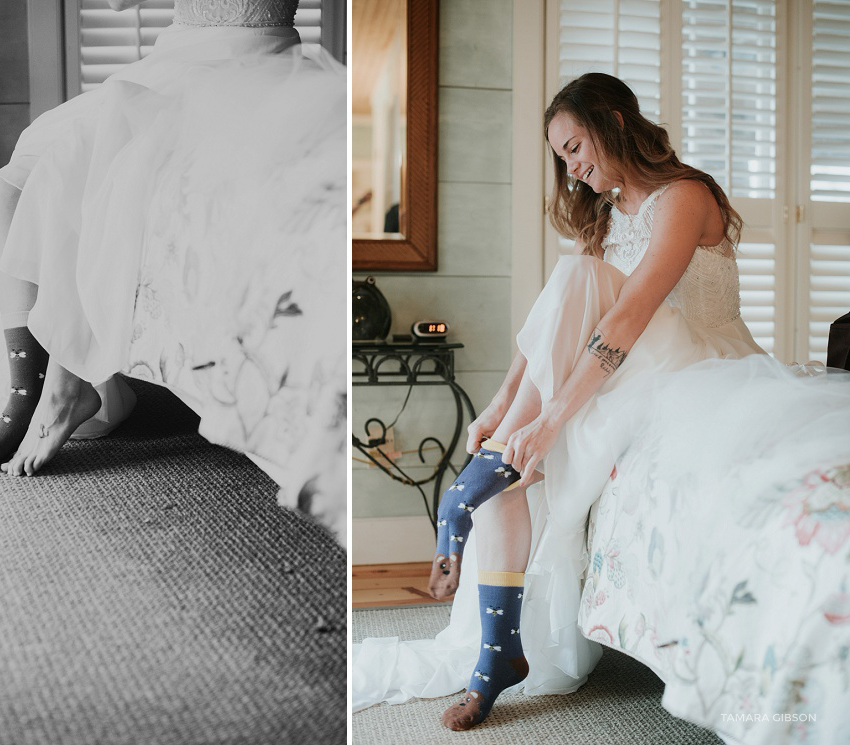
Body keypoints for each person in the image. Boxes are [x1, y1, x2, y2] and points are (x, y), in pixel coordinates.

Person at [352, 72, 850, 731]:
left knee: (561, 339)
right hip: (625, 377)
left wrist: (552, 419)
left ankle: (479, 483)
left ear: (616, 121)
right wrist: (502, 409)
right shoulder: (604, 219)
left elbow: (631, 315)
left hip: (699, 368)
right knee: (520, 447)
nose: (573, 167)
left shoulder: (685, 196)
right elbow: (551, 326)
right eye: (561, 157)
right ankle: (496, 654)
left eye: (575, 146)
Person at [0, 0, 342, 476]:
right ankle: (27, 393)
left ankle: (61, 391)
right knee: (1, 193)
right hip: (168, 69)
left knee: (94, 173)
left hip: (250, 74)